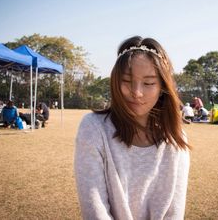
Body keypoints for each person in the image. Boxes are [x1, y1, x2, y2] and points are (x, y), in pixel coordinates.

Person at [74, 36, 191, 220]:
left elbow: (174, 213)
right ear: (115, 81)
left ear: (162, 87)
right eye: (127, 81)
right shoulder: (94, 128)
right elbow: (95, 209)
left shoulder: (176, 139)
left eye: (149, 83)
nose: (136, 92)